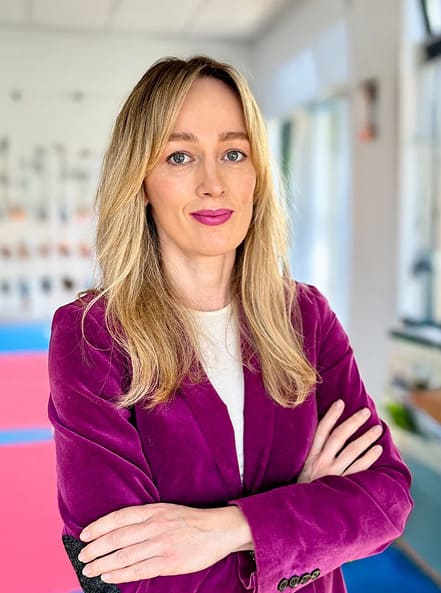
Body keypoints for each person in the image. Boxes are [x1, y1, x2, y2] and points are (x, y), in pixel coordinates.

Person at [47, 55, 413, 593]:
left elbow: (386, 501)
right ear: (141, 180)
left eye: (233, 153)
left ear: (256, 175)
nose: (212, 183)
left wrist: (227, 530)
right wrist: (303, 508)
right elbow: (113, 573)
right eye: (179, 156)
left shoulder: (306, 317)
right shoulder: (93, 336)